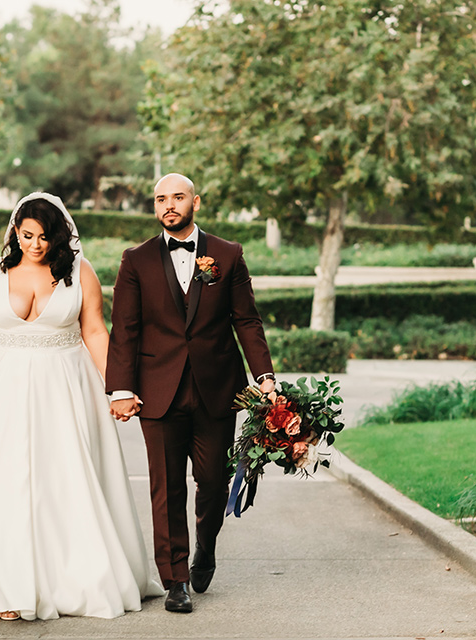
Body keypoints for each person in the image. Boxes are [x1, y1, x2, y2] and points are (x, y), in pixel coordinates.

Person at [0, 192, 163, 621]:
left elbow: (95, 331)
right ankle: (4, 585)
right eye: (26, 235)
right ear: (14, 232)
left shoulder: (80, 272)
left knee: (61, 484)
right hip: (0, 388)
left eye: (43, 237)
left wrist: (118, 389)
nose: (34, 245)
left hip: (64, 387)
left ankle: (69, 579)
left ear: (58, 237)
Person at [106, 173, 276, 614]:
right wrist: (121, 389)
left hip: (217, 390)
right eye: (161, 198)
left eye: (177, 197)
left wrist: (265, 377)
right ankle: (175, 578)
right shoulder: (136, 260)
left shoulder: (227, 255)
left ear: (195, 202)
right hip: (156, 393)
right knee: (166, 489)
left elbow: (247, 321)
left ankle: (206, 544)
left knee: (214, 483)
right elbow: (123, 330)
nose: (168, 205)